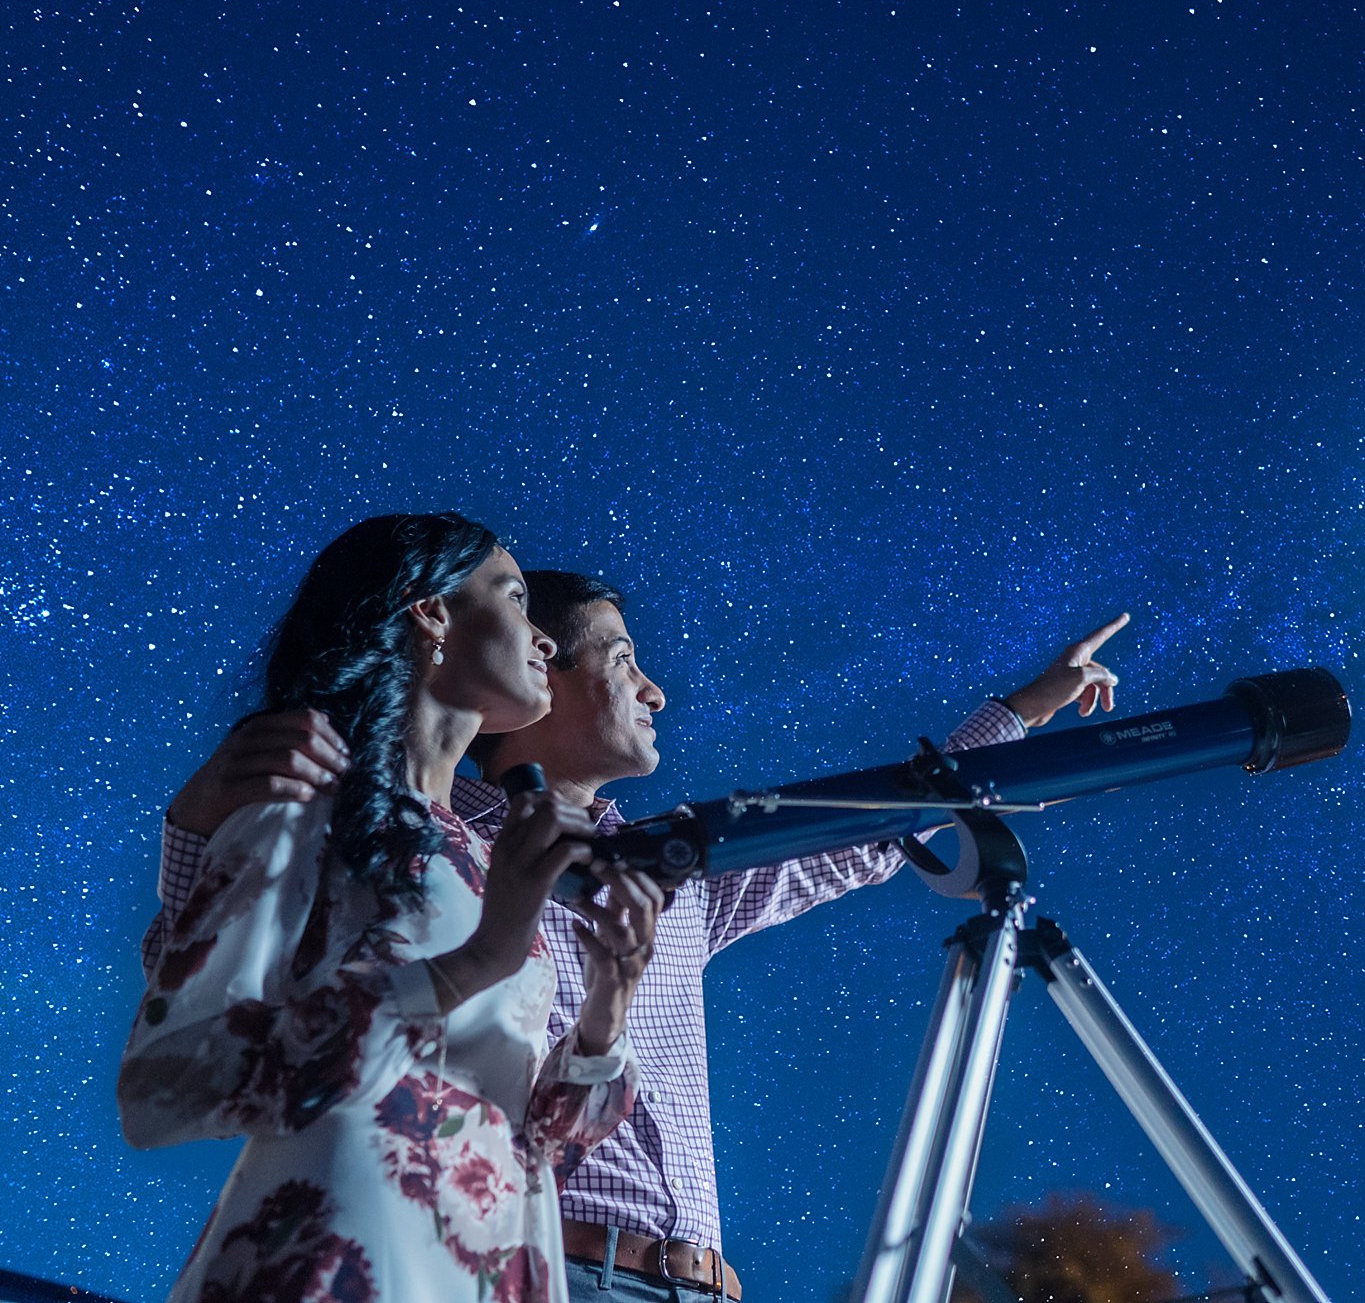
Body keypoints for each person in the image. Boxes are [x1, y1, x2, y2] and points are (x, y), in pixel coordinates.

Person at [151, 567, 1129, 1302]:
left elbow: (866, 833)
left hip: (701, 1283)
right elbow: (224, 968)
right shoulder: (433, 849)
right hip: (543, 1267)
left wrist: (1026, 707)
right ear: (543, 680)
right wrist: (195, 823)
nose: (656, 690)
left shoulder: (679, 867)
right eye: (625, 660)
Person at [121, 516, 666, 1303]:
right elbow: (164, 1085)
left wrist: (608, 1007)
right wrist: (478, 960)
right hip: (343, 1258)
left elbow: (539, 1138)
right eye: (515, 600)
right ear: (431, 613)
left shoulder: (487, 861)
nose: (543, 641)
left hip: (486, 1270)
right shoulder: (308, 808)